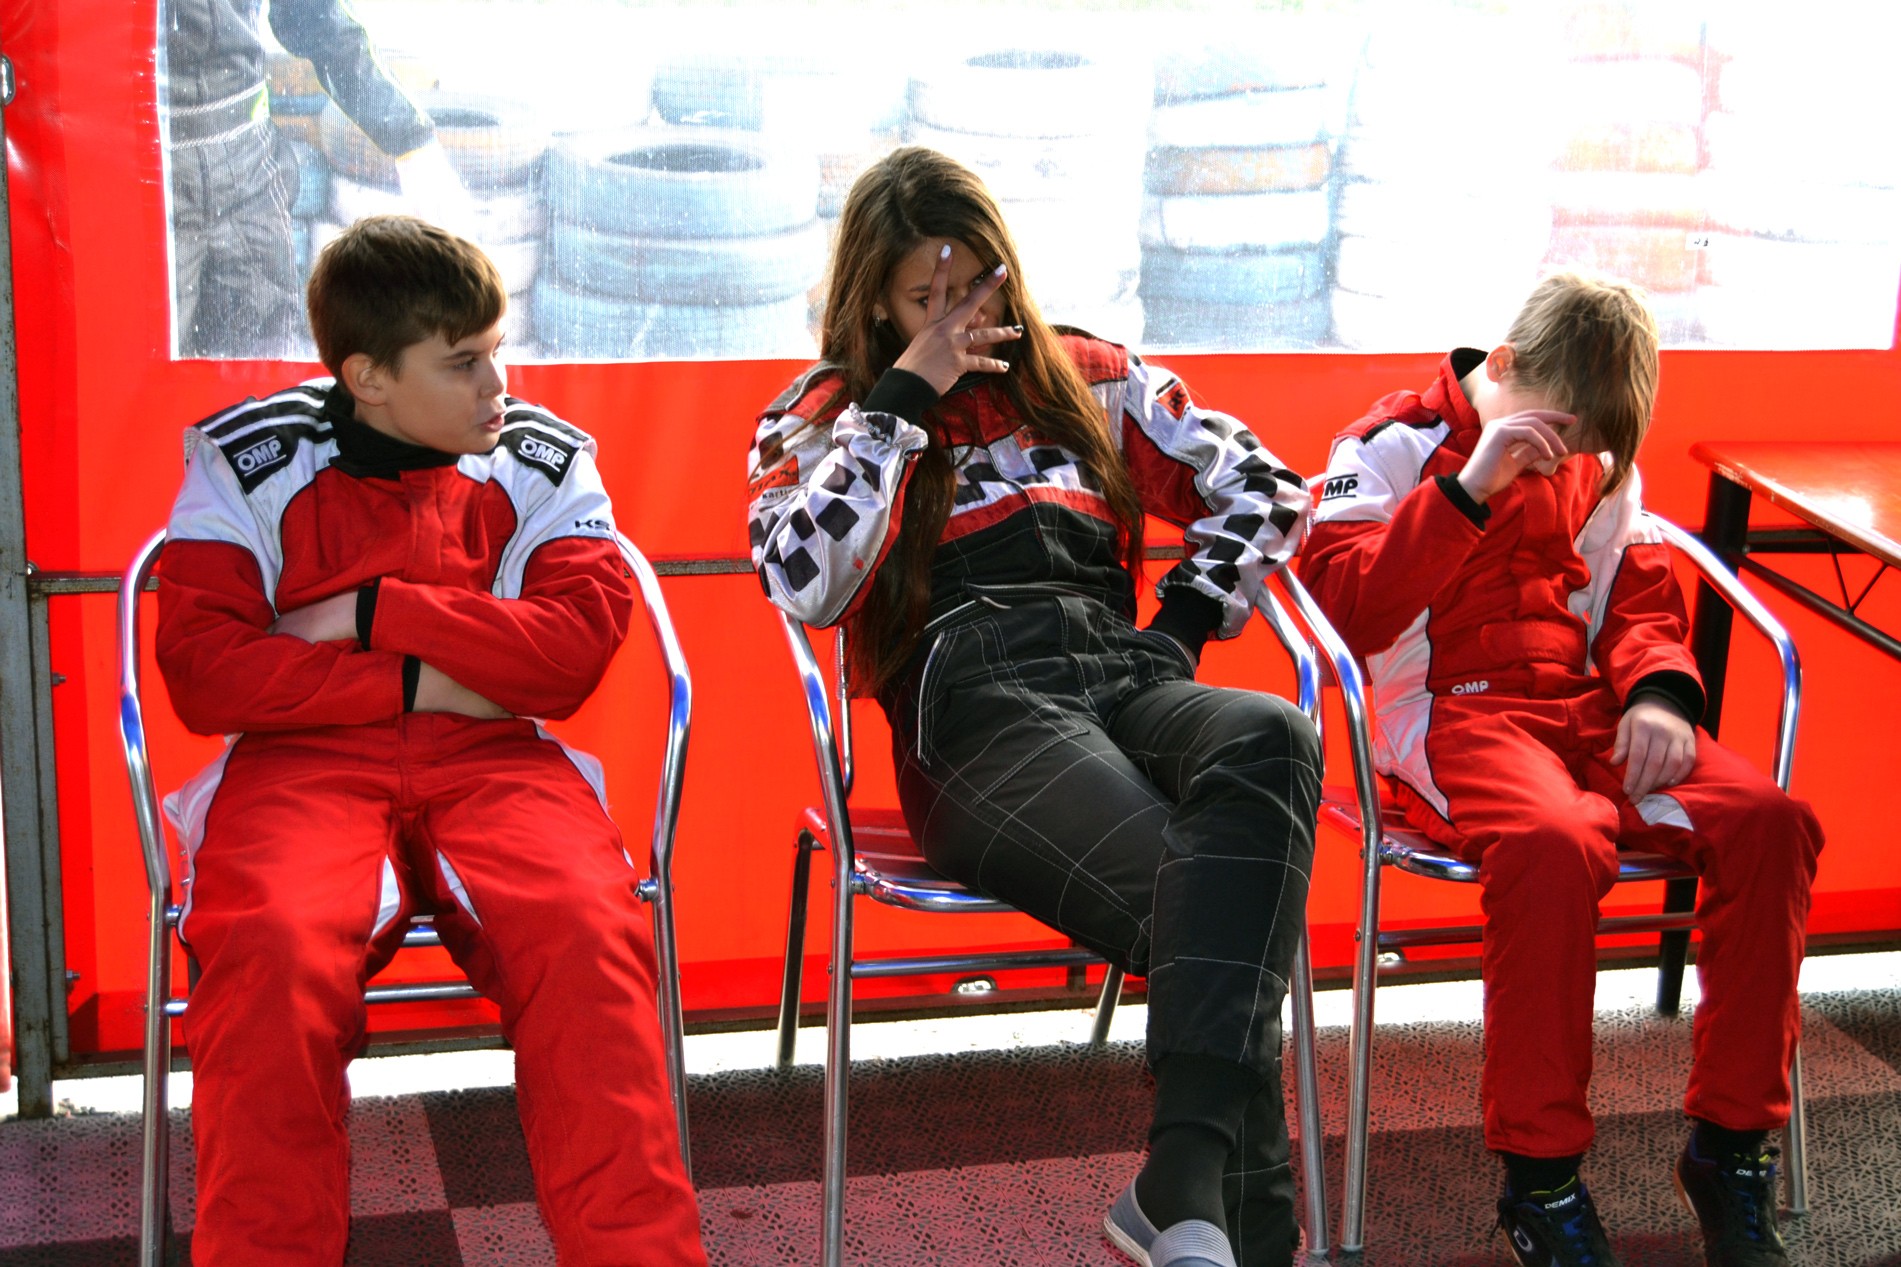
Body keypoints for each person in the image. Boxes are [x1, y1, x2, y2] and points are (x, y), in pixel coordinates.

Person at [747, 147, 1321, 1267]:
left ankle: (1180, 1190)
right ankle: (1239, 1227)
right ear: (874, 298)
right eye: (927, 297)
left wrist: (1182, 624)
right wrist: (902, 396)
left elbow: (1264, 485)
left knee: (1270, 736)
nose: (962, 315)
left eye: (978, 285)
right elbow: (801, 578)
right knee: (1214, 900)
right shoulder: (824, 412)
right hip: (971, 702)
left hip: (1123, 667)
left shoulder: (1087, 373)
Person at [155, 215, 705, 1265]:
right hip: (299, 763)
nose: (498, 386)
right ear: (366, 377)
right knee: (270, 946)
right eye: (463, 363)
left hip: (498, 762)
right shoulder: (245, 457)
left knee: (585, 934)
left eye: (497, 350)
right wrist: (427, 679)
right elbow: (205, 673)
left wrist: (374, 609)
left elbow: (570, 659)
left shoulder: (545, 460)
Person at [1300, 272, 1823, 1267]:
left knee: (1768, 820)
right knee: (1553, 840)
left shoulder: (1599, 457)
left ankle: (1729, 1149)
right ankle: (1539, 1180)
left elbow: (1637, 598)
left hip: (1581, 709)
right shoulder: (1386, 446)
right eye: (1551, 434)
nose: (1562, 459)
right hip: (1446, 709)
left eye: (1582, 448)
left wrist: (1657, 694)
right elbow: (1345, 610)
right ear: (1500, 366)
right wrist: (1467, 487)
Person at [163, 0, 471, 358]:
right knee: (144, 360)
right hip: (144, 173)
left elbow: (314, 14)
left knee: (261, 362)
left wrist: (410, 139)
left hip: (248, 166)